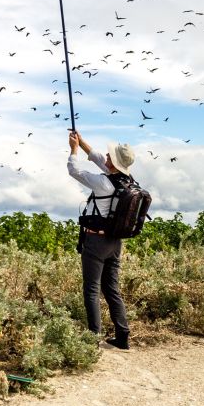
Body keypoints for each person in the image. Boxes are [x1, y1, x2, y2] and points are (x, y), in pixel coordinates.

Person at [67, 130, 135, 350]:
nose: (106, 156)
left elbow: (74, 171)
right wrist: (83, 142)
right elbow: (97, 157)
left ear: (114, 164)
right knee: (111, 289)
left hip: (96, 242)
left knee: (91, 290)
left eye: (109, 156)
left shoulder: (103, 183)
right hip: (115, 242)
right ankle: (122, 336)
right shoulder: (127, 180)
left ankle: (93, 339)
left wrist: (74, 150)